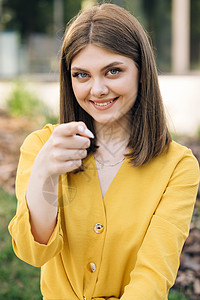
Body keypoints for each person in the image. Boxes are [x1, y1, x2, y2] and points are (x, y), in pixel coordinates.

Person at [9, 3, 199, 300]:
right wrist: (44, 173)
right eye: (81, 75)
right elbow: (33, 252)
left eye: (113, 71)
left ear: (141, 72)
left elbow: (153, 276)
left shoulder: (178, 167)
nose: (97, 89)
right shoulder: (42, 147)